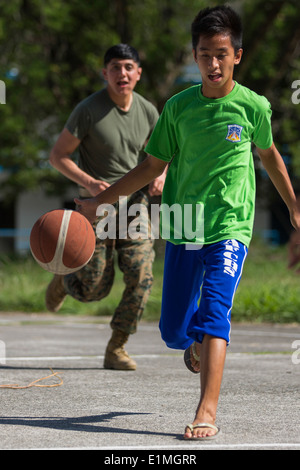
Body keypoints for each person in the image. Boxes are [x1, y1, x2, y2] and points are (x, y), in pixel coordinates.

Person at [73, 6, 300, 439]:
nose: (212, 64)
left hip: (230, 228)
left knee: (215, 312)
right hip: (184, 226)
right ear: (194, 57)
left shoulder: (253, 106)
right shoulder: (177, 109)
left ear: (237, 55)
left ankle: (206, 411)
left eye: (220, 54)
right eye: (203, 55)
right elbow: (149, 167)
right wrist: (101, 201)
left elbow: (269, 157)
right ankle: (194, 344)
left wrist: (293, 206)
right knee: (174, 330)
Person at [45, 44, 166, 371]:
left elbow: (162, 157)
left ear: (138, 73)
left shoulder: (148, 111)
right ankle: (64, 280)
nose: (122, 73)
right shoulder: (87, 110)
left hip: (136, 206)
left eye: (129, 67)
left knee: (142, 274)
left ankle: (117, 346)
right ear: (105, 73)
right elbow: (58, 156)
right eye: (115, 67)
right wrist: (92, 184)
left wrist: (162, 176)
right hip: (96, 208)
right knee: (92, 289)